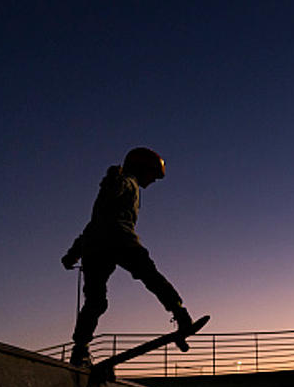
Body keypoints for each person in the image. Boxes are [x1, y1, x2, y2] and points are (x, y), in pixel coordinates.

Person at [61, 147, 194, 367]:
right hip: (120, 240)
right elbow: (114, 188)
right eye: (153, 175)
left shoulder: (121, 186)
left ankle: (80, 349)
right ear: (141, 169)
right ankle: (180, 314)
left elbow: (93, 224)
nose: (153, 182)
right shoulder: (127, 181)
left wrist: (72, 254)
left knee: (95, 301)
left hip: (93, 247)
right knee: (150, 276)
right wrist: (113, 179)